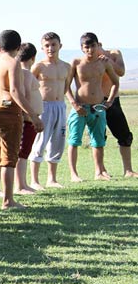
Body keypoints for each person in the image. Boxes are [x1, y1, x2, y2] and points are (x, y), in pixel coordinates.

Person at [0, 30, 43, 209]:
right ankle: (8, 200)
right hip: (9, 111)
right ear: (18, 48)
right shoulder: (14, 63)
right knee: (9, 156)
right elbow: (15, 92)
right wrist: (33, 116)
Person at [67, 32, 119, 182]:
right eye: (86, 47)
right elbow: (66, 86)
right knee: (74, 141)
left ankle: (99, 172)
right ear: (82, 48)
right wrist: (74, 104)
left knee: (98, 142)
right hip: (80, 108)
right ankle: (73, 174)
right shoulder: (76, 63)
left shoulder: (104, 62)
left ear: (98, 46)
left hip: (98, 108)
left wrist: (109, 102)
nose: (90, 50)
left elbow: (116, 82)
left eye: (93, 46)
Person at [28, 32, 70, 189]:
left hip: (60, 106)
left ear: (60, 45)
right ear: (42, 48)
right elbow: (29, 86)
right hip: (43, 107)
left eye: (53, 44)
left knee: (57, 142)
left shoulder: (67, 66)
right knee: (39, 142)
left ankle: (52, 179)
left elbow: (66, 87)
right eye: (47, 45)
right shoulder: (38, 66)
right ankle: (34, 180)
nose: (50, 48)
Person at [97, 40, 138, 177]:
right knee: (98, 137)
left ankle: (128, 170)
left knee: (125, 136)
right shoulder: (88, 59)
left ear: (100, 44)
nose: (93, 49)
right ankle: (101, 171)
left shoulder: (114, 53)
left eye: (96, 46)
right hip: (96, 101)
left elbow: (121, 72)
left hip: (113, 100)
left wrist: (107, 60)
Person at [15, 43, 43, 194]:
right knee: (22, 152)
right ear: (33, 57)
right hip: (27, 119)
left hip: (30, 118)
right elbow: (24, 96)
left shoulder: (25, 73)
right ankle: (20, 185)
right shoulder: (25, 73)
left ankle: (23, 183)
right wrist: (30, 116)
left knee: (25, 152)